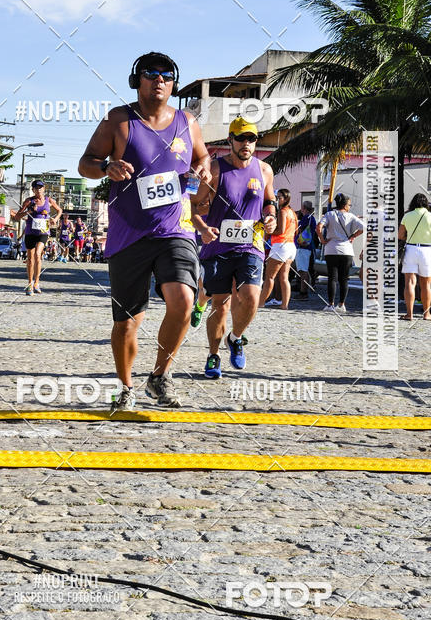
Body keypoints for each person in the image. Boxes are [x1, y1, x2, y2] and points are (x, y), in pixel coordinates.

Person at [78, 50, 211, 412]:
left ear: (174, 84)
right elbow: (85, 163)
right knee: (126, 322)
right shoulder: (119, 121)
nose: (159, 81)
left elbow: (202, 157)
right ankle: (125, 387)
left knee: (184, 301)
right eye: (151, 74)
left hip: (175, 231)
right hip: (129, 235)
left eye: (166, 75)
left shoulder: (187, 121)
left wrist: (203, 170)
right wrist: (107, 167)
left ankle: (160, 375)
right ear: (137, 80)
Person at [190, 117, 275, 378]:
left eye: (251, 138)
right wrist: (203, 228)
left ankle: (236, 337)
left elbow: (269, 200)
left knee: (251, 297)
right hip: (218, 246)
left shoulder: (264, 170)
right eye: (241, 138)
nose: (246, 143)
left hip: (252, 243)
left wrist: (271, 216)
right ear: (230, 140)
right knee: (221, 304)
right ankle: (213, 355)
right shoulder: (215, 169)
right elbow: (193, 205)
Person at [317, 193, 364, 313]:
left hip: (331, 248)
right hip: (346, 249)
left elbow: (319, 227)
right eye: (349, 204)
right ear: (345, 205)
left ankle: (330, 304)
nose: (350, 206)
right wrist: (353, 236)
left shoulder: (329, 214)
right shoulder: (351, 216)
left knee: (332, 278)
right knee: (344, 278)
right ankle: (342, 304)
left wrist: (322, 239)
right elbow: (364, 228)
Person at [398, 193, 431, 321]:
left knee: (410, 283)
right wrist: (428, 237)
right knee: (426, 284)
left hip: (411, 249)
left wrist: (411, 237)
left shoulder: (407, 215)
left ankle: (409, 314)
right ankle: (426, 314)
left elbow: (400, 235)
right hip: (427, 250)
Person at [14, 179, 62, 295]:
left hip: (43, 232)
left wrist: (55, 219)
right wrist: (28, 211)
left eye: (40, 187)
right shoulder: (28, 201)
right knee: (30, 259)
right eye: (36, 188)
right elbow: (17, 217)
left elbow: (59, 210)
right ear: (33, 190)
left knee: (37, 255)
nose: (38, 190)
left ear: (44, 189)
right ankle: (30, 284)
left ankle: (37, 282)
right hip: (30, 232)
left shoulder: (49, 200)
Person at [260, 188, 297, 309]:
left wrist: (269, 231)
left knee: (269, 276)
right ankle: (284, 305)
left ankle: (260, 303)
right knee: (284, 278)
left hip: (281, 245)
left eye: (279, 197)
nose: (277, 200)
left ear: (285, 199)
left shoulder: (282, 212)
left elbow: (280, 230)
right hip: (291, 245)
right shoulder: (293, 213)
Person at [294, 199, 317, 299]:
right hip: (307, 247)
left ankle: (303, 292)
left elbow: (299, 229)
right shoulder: (312, 218)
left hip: (303, 246)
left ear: (303, 208)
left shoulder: (306, 217)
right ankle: (303, 290)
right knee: (304, 270)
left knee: (303, 270)